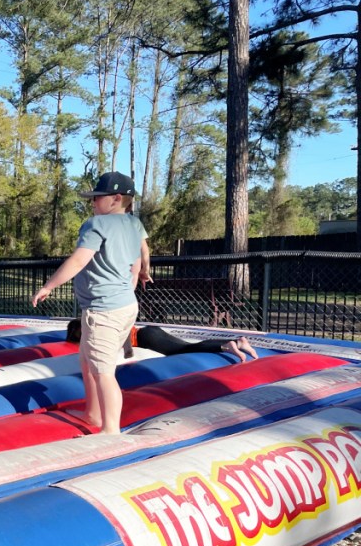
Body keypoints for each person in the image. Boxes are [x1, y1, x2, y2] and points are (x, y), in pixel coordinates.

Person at [31, 171, 148, 435]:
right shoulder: (133, 225)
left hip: (104, 309)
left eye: (97, 198)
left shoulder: (97, 225)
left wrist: (49, 286)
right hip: (124, 306)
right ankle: (93, 412)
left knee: (104, 371)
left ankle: (110, 430)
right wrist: (138, 276)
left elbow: (79, 260)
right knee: (87, 360)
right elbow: (140, 256)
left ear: (116, 199)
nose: (93, 203)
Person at [65, 320, 259, 362]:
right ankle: (238, 341)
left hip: (145, 337)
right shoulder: (104, 324)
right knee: (185, 346)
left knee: (182, 350)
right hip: (149, 331)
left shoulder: (102, 331)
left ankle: (225, 345)